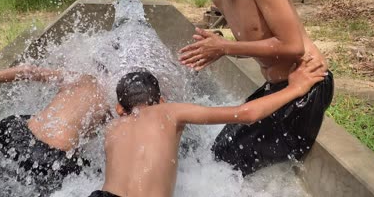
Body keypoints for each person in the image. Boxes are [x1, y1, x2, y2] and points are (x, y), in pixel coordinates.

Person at [178, 0, 334, 176]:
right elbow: (256, 44)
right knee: (219, 149)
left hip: (307, 84)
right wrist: (220, 49)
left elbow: (294, 46)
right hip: (276, 88)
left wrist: (226, 47)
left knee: (230, 162)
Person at [89, 59, 326, 197]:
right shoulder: (170, 111)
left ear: (120, 108)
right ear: (162, 101)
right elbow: (247, 114)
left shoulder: (112, 126)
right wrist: (296, 88)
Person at [0, 66, 110, 188]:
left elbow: (27, 70)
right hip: (52, 160)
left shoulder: (78, 78)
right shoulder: (108, 104)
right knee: (91, 173)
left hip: (17, 137)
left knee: (22, 122)